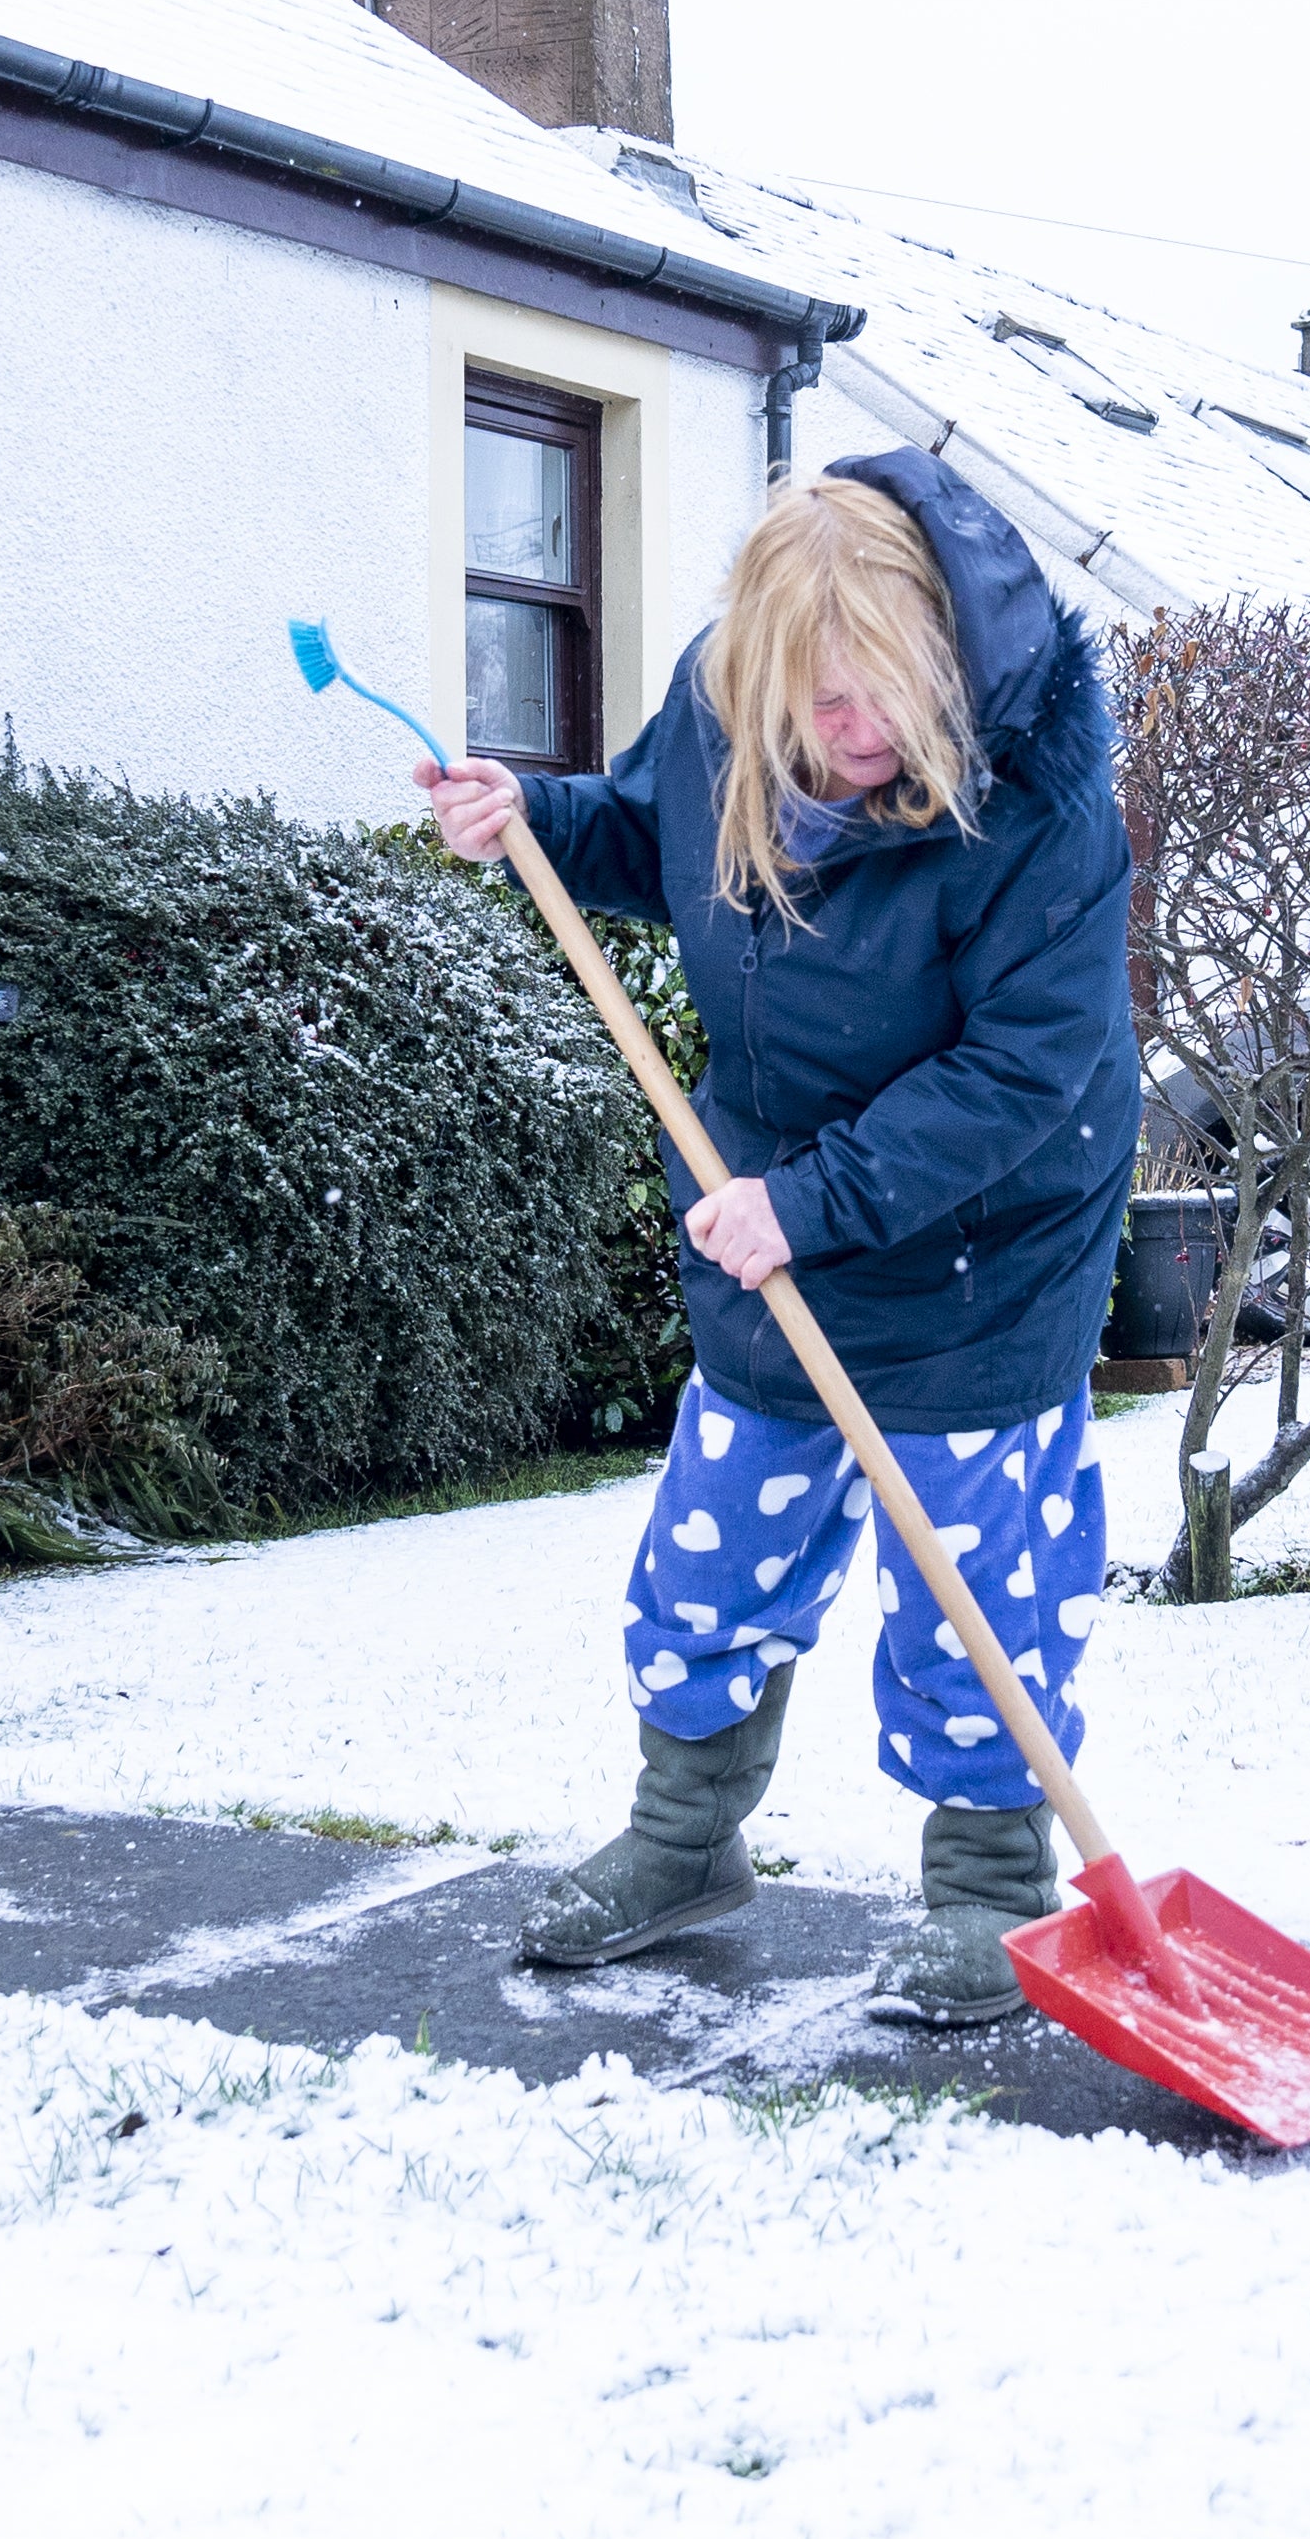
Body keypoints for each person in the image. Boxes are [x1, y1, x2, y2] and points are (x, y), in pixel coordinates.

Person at [417, 454, 1139, 2024]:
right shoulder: (722, 704)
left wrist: (811, 1204)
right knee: (714, 1550)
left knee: (971, 1587)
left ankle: (991, 1891)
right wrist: (530, 818)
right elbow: (646, 833)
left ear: (942, 667)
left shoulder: (1041, 799)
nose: (845, 734)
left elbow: (1028, 1068)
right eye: (811, 702)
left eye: (878, 697)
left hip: (979, 1248)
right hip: (765, 1212)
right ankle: (686, 1842)